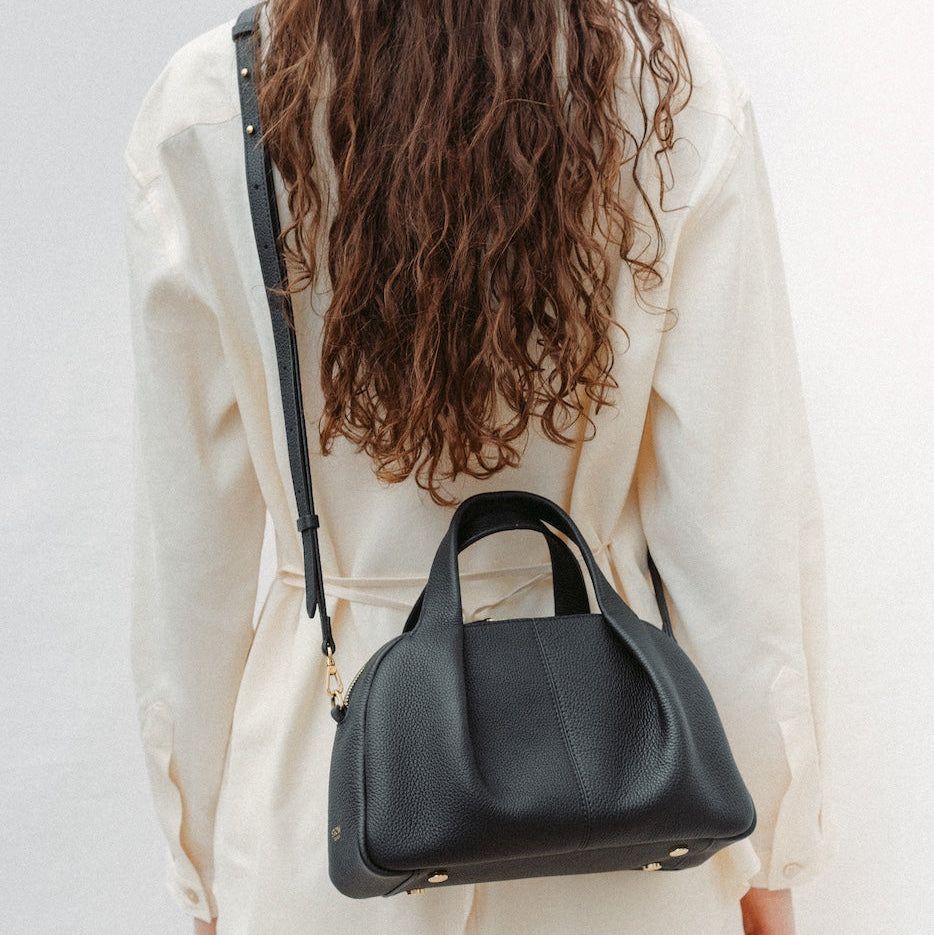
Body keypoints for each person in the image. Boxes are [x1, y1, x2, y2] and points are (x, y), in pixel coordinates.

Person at [125, 1, 829, 933]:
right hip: (618, 789)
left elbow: (188, 562)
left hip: (332, 793)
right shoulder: (670, 82)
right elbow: (739, 532)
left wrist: (202, 878)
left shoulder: (212, 102)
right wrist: (767, 853)